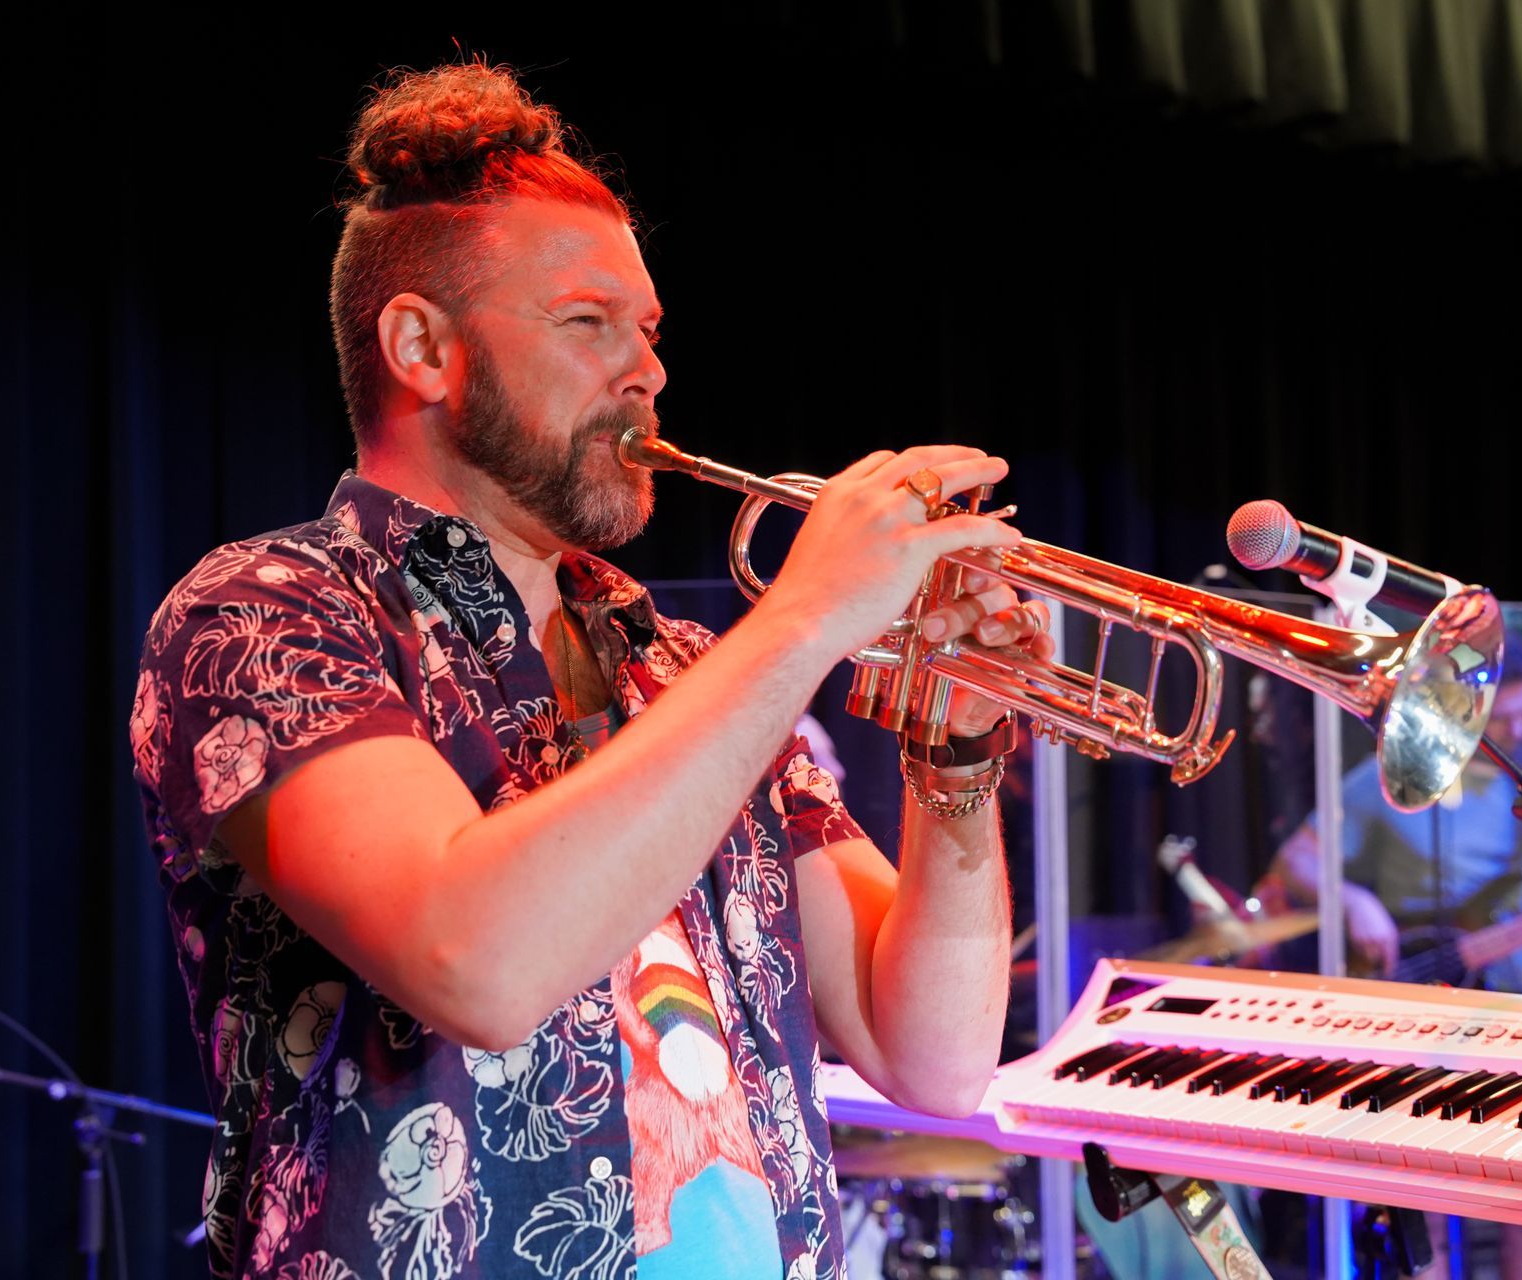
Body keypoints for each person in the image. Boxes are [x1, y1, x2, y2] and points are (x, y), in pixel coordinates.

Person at [130, 63, 1050, 1280]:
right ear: (422, 347)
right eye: (588, 323)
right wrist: (807, 620)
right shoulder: (269, 612)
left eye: (651, 331)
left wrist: (957, 751)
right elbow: (477, 959)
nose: (649, 373)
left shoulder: (690, 667)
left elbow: (933, 1051)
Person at [1270, 633, 1522, 999]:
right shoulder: (1394, 774)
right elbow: (1296, 861)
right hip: (1425, 1002)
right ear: (1459, 709)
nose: (1517, 730)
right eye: (1501, 719)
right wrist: (1352, 902)